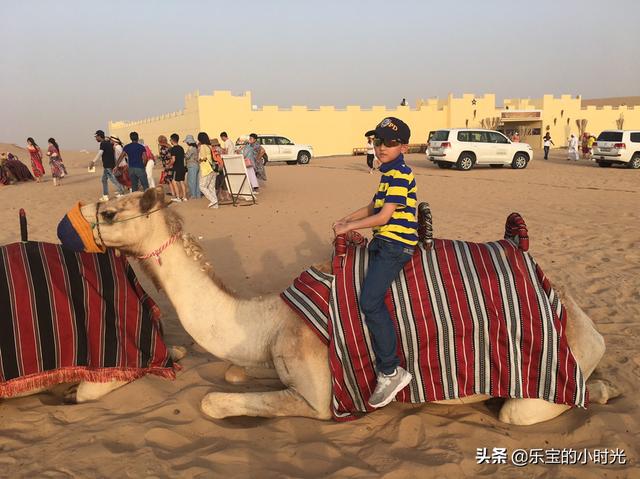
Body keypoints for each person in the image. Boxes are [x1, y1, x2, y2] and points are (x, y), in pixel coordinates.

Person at [332, 117, 416, 409]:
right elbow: (373, 207)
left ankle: (390, 371)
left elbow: (383, 217)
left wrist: (346, 228)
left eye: (389, 143)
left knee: (370, 302)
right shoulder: (388, 172)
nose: (381, 148)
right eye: (378, 142)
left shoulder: (401, 173)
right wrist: (347, 219)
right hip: (384, 241)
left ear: (403, 146)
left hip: (395, 245)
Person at [92, 130, 124, 201]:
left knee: (113, 179)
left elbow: (100, 153)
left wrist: (93, 161)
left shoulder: (103, 143)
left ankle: (121, 192)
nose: (96, 139)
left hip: (108, 165)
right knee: (104, 180)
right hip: (109, 164)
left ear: (99, 136)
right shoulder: (108, 143)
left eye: (96, 137)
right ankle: (105, 195)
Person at [197, 132, 219, 209]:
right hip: (213, 168)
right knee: (211, 187)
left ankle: (213, 201)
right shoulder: (210, 146)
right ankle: (215, 204)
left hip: (206, 168)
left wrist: (199, 159)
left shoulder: (202, 146)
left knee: (202, 186)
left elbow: (203, 158)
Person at [169, 133, 187, 202]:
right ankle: (184, 197)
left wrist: (169, 165)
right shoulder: (181, 148)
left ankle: (178, 197)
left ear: (172, 140)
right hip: (182, 167)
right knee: (182, 181)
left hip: (176, 168)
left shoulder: (173, 149)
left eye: (170, 139)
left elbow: (173, 160)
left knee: (174, 181)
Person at [184, 134, 200, 199]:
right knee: (196, 181)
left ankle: (193, 195)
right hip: (196, 165)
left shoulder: (191, 148)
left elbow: (187, 156)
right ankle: (197, 194)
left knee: (191, 181)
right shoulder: (195, 148)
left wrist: (184, 154)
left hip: (192, 165)